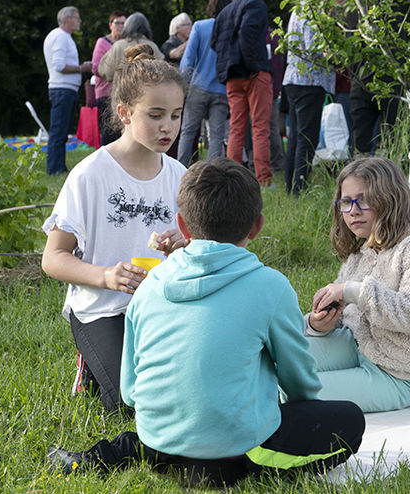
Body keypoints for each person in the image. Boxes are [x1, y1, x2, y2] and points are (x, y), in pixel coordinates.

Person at [46, 157, 364, 488]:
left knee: (159, 434)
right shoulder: (271, 286)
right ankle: (242, 466)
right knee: (349, 420)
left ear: (182, 226)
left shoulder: (149, 285)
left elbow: (129, 391)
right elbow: (299, 380)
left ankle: (126, 455)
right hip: (235, 449)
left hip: (158, 437)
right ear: (257, 226)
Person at [41, 46, 188, 414]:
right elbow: (53, 259)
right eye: (155, 115)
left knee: (189, 389)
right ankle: (90, 362)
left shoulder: (180, 177)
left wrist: (186, 243)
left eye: (176, 115)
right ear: (123, 113)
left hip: (162, 309)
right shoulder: (90, 175)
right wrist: (107, 276)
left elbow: (203, 249)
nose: (167, 127)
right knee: (133, 406)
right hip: (100, 308)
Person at [305, 157, 410, 413]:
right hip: (357, 347)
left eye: (363, 200)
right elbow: (347, 316)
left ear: (389, 198)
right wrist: (318, 325)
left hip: (397, 374)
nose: (353, 210)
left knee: (298, 391)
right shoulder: (366, 245)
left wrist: (351, 291)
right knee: (278, 363)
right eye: (346, 202)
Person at [213, 0, 274, 186]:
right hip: (253, 72)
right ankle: (264, 179)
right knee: (260, 126)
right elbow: (247, 33)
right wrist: (252, 65)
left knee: (237, 126)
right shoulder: (257, 5)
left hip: (232, 75)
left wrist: (231, 63)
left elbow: (215, 42)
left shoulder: (226, 10)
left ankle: (234, 177)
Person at [282, 4, 335, 194]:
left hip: (293, 79)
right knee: (307, 138)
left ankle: (291, 187)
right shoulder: (311, 12)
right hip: (309, 81)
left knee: (296, 136)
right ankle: (300, 189)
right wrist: (334, 54)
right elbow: (313, 49)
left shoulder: (297, 10)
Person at [178, 0, 233, 166]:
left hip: (198, 87)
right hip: (222, 89)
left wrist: (181, 85)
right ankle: (211, 175)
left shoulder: (200, 27)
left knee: (188, 132)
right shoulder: (233, 29)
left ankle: (180, 170)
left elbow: (188, 59)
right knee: (216, 136)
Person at [43, 6, 92, 175]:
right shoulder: (60, 37)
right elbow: (59, 65)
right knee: (58, 131)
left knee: (62, 132)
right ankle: (54, 168)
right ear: (66, 19)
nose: (79, 21)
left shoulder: (62, 37)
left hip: (65, 89)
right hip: (62, 89)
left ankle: (59, 167)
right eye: (76, 18)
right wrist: (81, 68)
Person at [98, 13, 163, 92]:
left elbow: (105, 72)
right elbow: (162, 74)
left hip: (122, 98)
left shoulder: (118, 46)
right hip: (147, 98)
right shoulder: (153, 47)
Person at [92, 10, 127, 146]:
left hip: (123, 93)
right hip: (106, 93)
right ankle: (104, 161)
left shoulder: (126, 43)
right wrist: (117, 71)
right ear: (110, 25)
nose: (121, 26)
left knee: (121, 131)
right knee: (109, 131)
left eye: (124, 23)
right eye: (117, 23)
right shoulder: (102, 43)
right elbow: (96, 67)